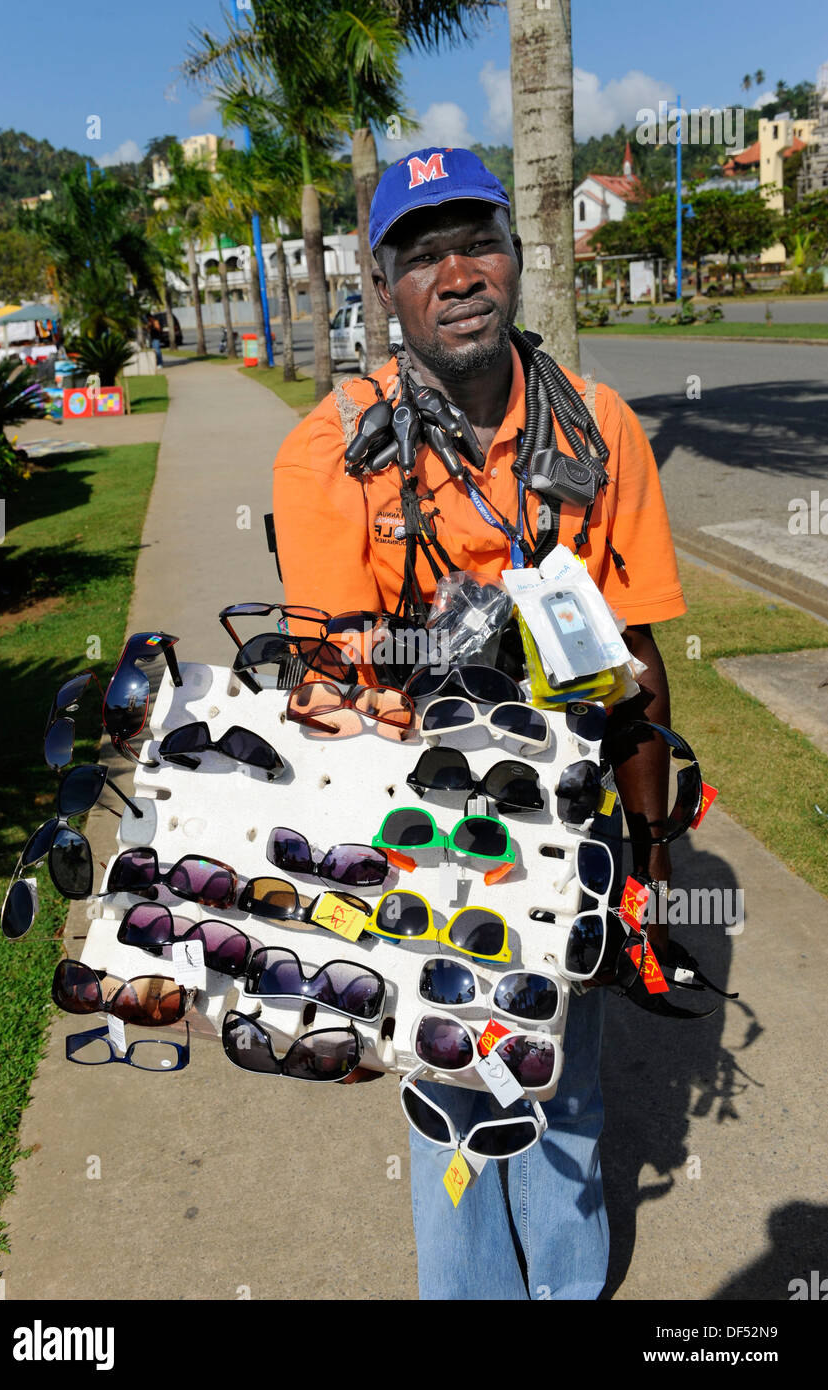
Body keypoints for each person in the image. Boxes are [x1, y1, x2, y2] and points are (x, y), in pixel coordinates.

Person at [272, 147, 686, 1300]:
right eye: (421, 253)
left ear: (516, 263)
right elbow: (321, 689)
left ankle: (563, 1288)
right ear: (384, 285)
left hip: (572, 821)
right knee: (448, 1085)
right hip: (414, 827)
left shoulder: (598, 433)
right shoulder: (329, 451)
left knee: (559, 1079)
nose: (456, 273)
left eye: (478, 243)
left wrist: (647, 864)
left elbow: (641, 665)